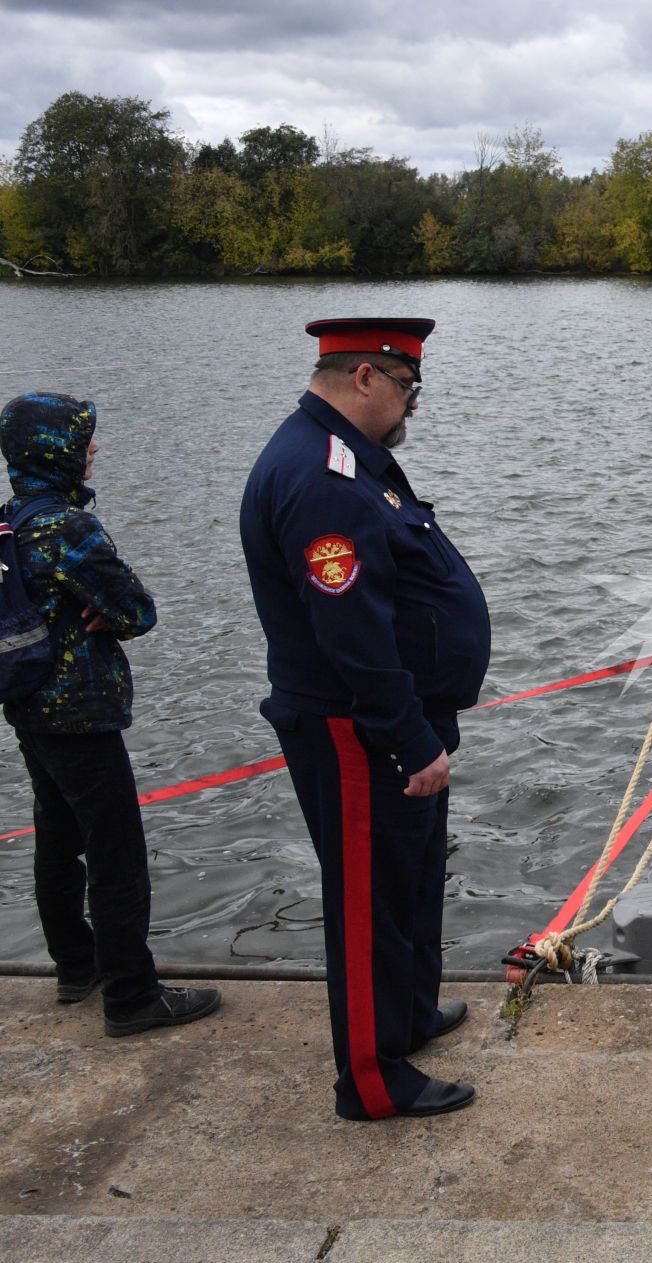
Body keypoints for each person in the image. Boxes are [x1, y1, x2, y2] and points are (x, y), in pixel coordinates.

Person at [239, 318, 491, 1120]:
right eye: (408, 388)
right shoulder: (319, 478)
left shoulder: (350, 463)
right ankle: (373, 1080)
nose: (413, 404)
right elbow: (349, 630)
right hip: (359, 727)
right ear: (364, 380)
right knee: (367, 899)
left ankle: (408, 1017)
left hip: (394, 717)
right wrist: (409, 735)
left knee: (411, 880)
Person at [1, 393, 222, 1036]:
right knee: (116, 853)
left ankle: (77, 966)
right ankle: (131, 994)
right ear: (57, 450)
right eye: (83, 439)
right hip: (83, 716)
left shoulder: (12, 521)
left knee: (57, 839)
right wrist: (108, 611)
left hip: (28, 708)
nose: (93, 448)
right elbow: (137, 611)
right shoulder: (70, 529)